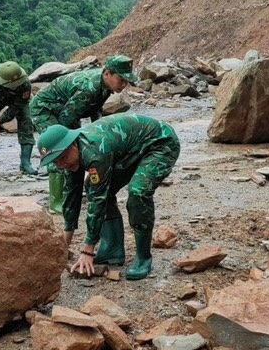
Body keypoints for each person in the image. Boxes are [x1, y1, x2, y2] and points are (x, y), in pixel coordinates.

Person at [35, 113, 180, 281]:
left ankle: (143, 258)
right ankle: (112, 249)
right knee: (91, 185)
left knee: (138, 192)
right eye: (55, 162)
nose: (62, 164)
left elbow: (98, 200)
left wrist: (87, 250)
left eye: (63, 158)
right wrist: (65, 243)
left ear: (73, 144)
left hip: (159, 143)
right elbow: (71, 197)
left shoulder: (95, 152)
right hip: (130, 150)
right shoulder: (71, 156)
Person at [29, 55, 138, 217]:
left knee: (76, 148)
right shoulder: (90, 88)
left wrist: (101, 134)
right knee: (58, 150)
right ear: (107, 74)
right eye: (121, 79)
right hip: (45, 109)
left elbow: (95, 109)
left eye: (126, 81)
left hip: (65, 109)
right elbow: (67, 118)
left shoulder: (104, 86)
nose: (124, 85)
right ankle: (56, 202)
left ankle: (71, 193)